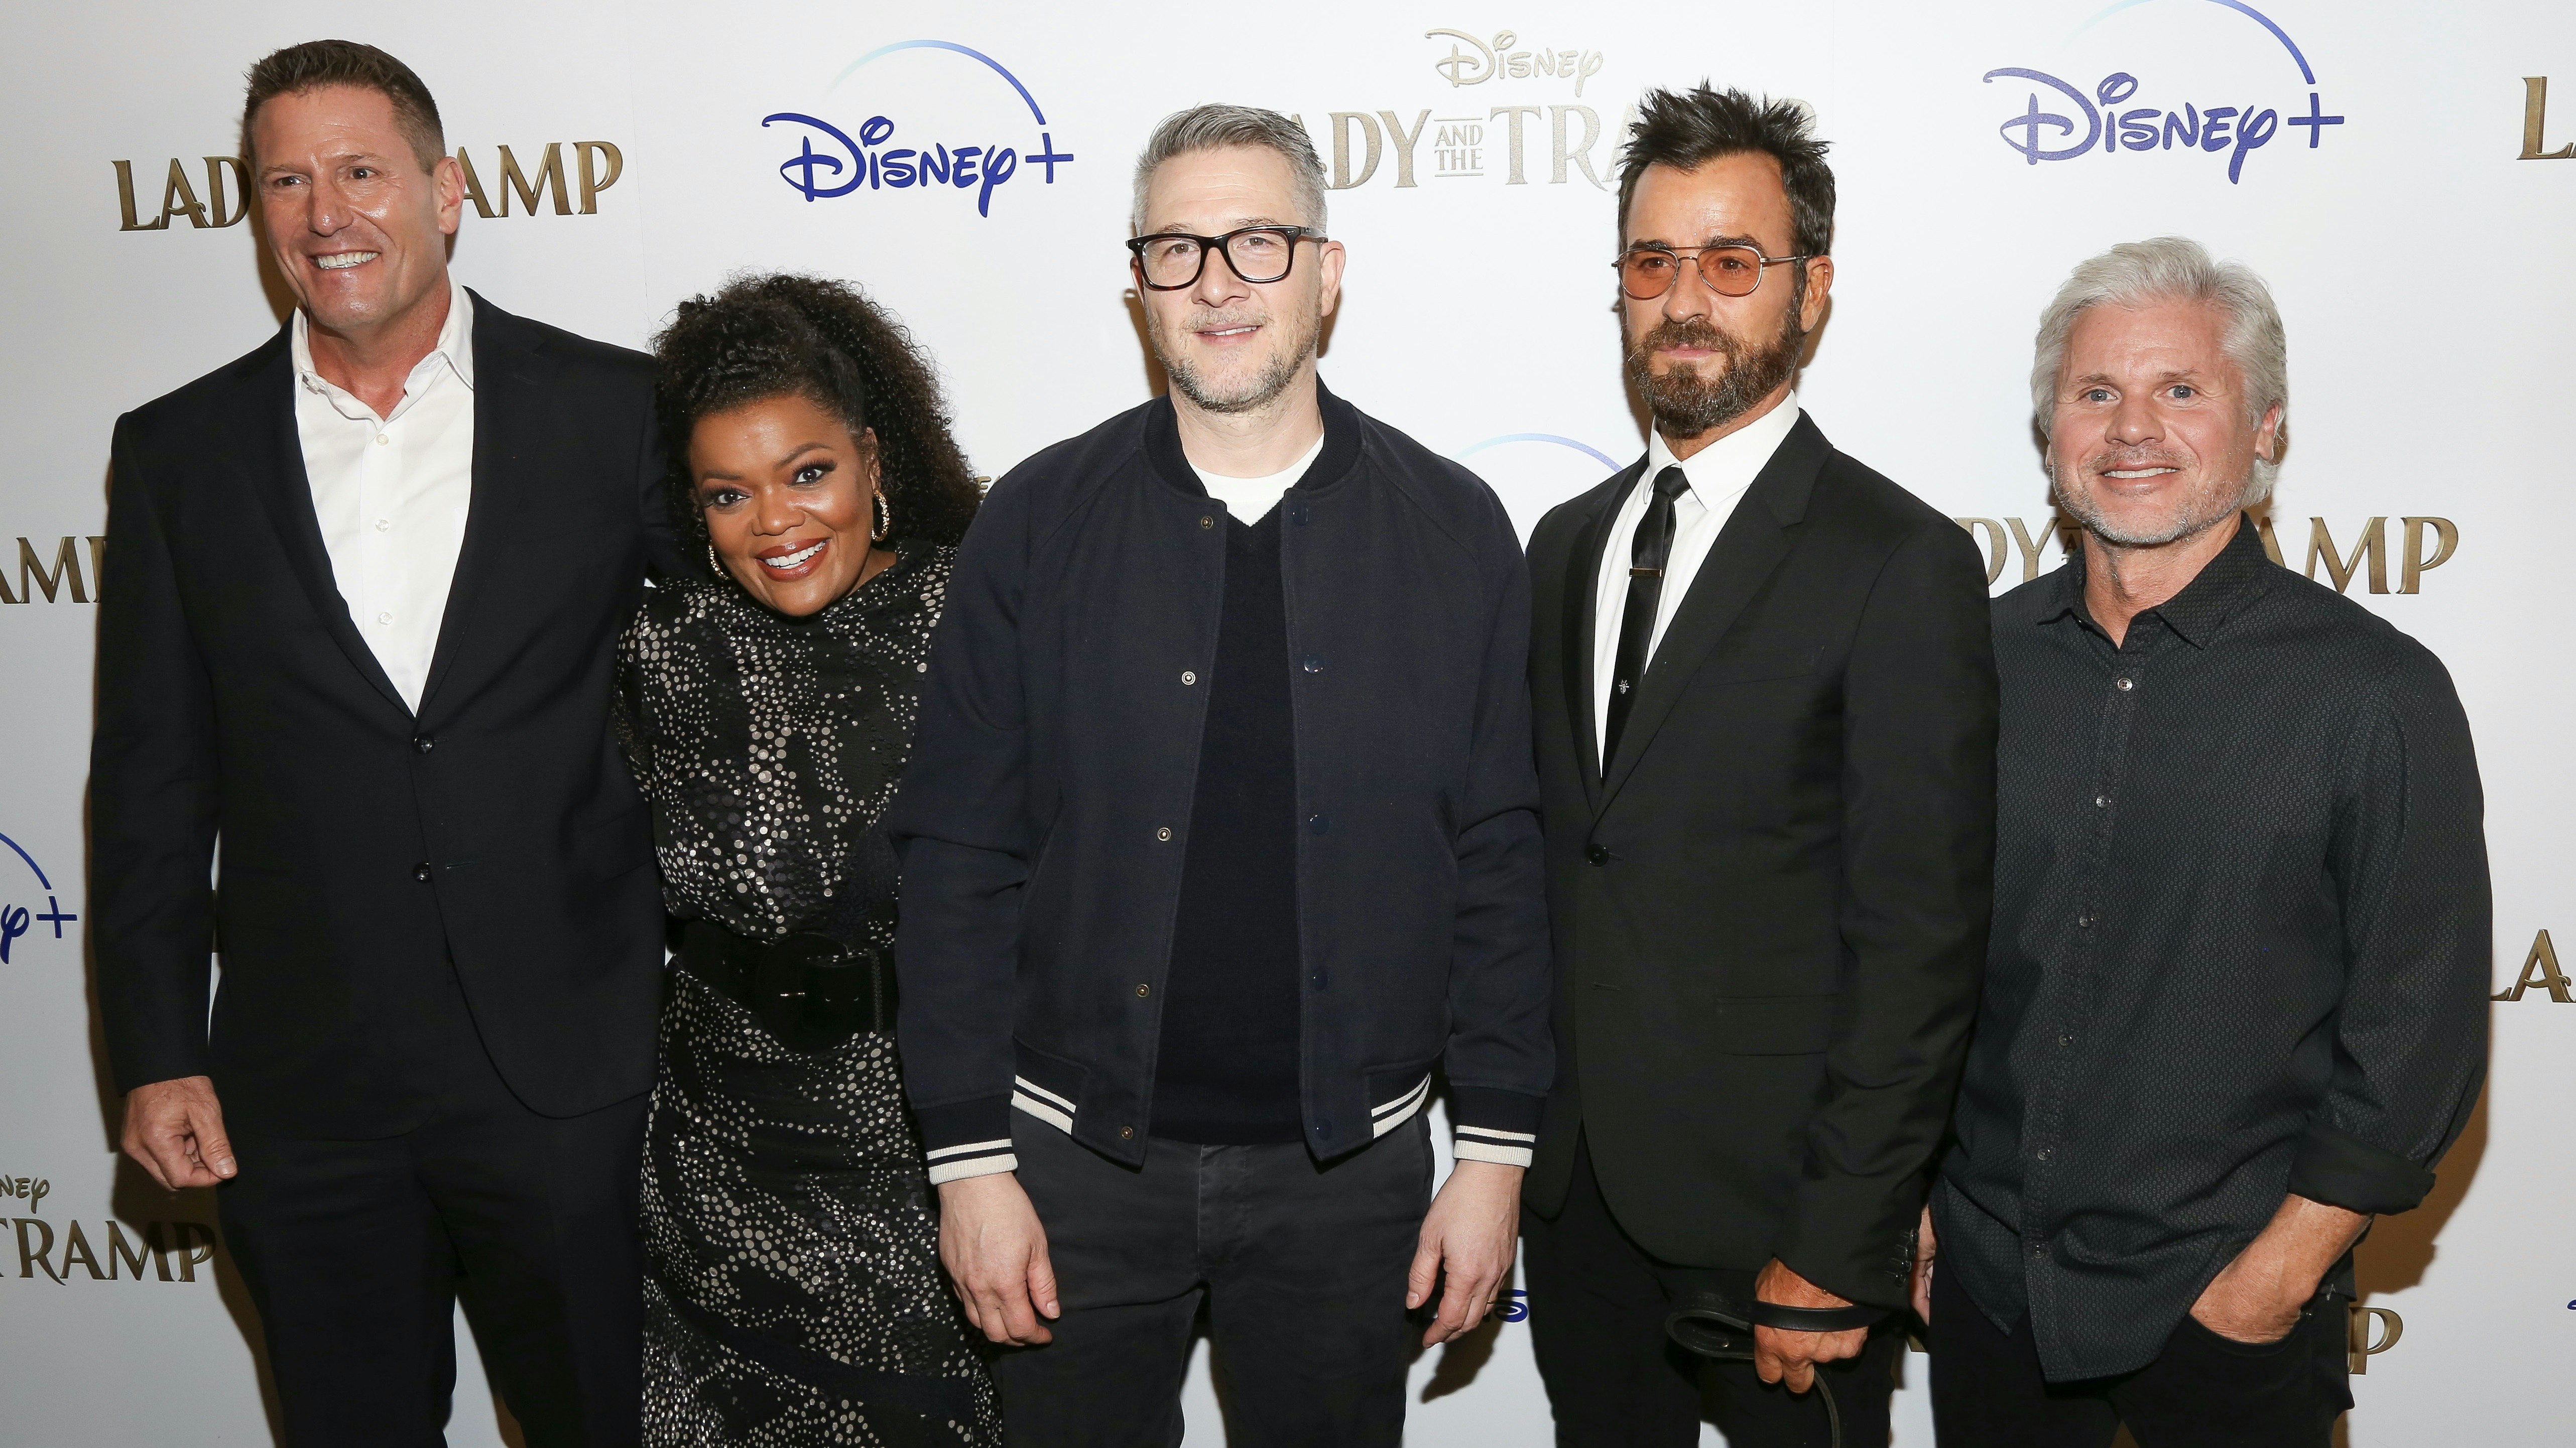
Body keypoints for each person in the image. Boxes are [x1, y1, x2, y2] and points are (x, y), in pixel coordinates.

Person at [886, 104, 1551, 1446]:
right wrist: (966, 1160)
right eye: (1178, 249)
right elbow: (957, 853)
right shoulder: (1034, 519)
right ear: (1137, 286)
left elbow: (1496, 852)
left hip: (1348, 1176)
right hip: (1068, 1166)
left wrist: (1490, 1157)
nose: (1219, 283)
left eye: (1257, 240)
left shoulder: (1453, 528)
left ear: (1327, 269)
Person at [91, 40, 677, 1445]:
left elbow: (730, 691)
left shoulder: (613, 411)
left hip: (568, 1071)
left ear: (448, 189)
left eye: (360, 170)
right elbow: (150, 781)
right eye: (284, 180)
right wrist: (158, 1051)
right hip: (300, 1096)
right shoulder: (179, 451)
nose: (324, 212)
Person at [1918, 237, 2490, 1447]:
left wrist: (2270, 1282)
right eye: (2096, 393)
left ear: (2265, 429)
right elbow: (1915, 964)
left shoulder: (2373, 694)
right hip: (1989, 1288)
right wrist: (1914, 1202)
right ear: (2050, 435)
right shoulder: (1969, 665)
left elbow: (2418, 1029)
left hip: (2228, 1310)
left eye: (2181, 390)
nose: (2134, 428)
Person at [1519, 84, 1998, 1447]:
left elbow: (1920, 941)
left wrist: (1842, 1238)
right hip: (1579, 1210)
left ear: (1809, 291)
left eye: (1730, 264)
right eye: (1651, 262)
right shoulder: (1563, 541)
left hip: (1780, 1228)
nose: (1685, 299)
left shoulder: (1895, 560)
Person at [615, 275, 998, 1442]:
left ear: (874, 461)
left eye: (808, 473)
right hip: (713, 1180)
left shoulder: (977, 623)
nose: (775, 523)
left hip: (931, 1169)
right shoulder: (660, 647)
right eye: (729, 494)